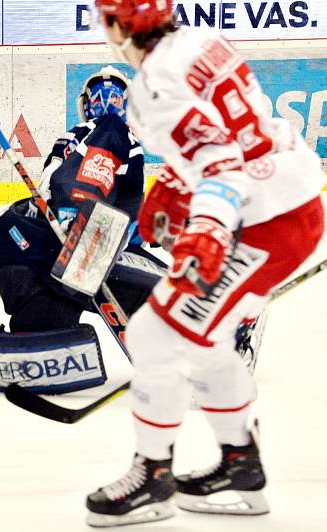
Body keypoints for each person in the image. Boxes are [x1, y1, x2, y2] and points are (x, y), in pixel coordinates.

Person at [84, 0, 325, 527]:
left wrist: (207, 229)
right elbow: (232, 133)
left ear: (123, 25)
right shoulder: (198, 41)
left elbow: (220, 164)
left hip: (263, 221)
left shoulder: (154, 85)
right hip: (292, 200)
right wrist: (175, 181)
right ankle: (241, 466)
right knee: (205, 336)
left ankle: (152, 476)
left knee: (151, 334)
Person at [0, 65, 154, 334]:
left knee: (46, 322)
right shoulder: (116, 137)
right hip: (63, 240)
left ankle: (42, 346)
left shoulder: (88, 140)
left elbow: (46, 185)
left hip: (35, 249)